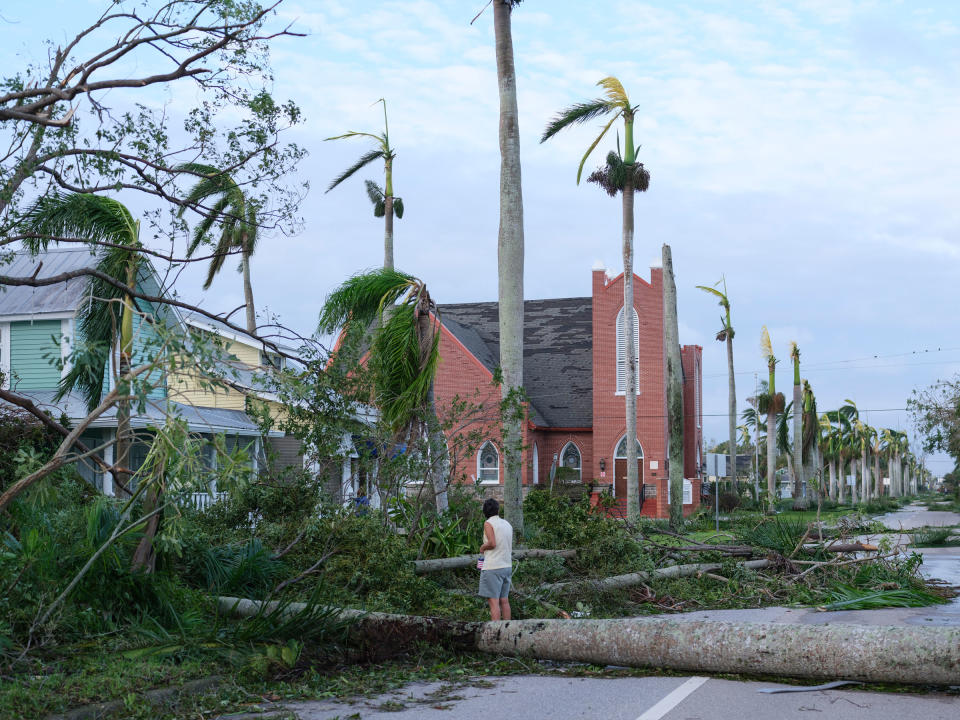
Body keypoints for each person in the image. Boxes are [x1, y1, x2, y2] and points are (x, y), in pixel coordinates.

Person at [478, 497, 513, 620]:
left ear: (485, 512)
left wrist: (482, 547)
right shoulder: (507, 524)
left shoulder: (488, 523)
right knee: (504, 600)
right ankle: (507, 630)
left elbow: (492, 543)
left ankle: (495, 633)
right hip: (507, 566)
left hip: (493, 567)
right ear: (498, 510)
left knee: (494, 602)